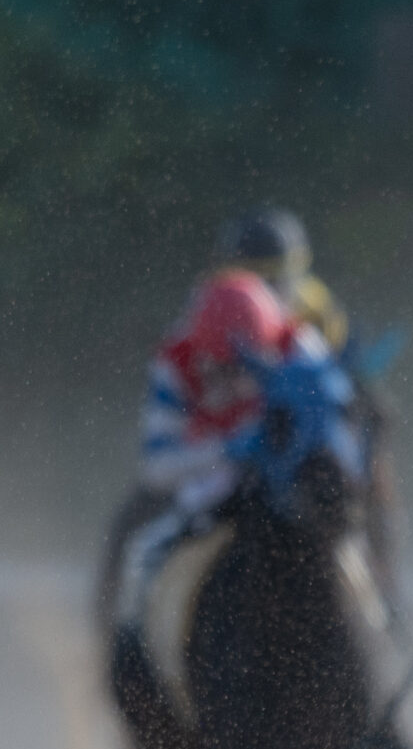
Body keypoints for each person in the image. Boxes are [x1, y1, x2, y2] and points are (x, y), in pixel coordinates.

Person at [111, 271, 360, 651]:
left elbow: (340, 437)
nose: (230, 385)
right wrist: (228, 451)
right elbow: (157, 466)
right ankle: (134, 649)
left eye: (240, 369)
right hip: (211, 481)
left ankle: (377, 626)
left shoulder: (302, 349)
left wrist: (286, 452)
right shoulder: (173, 364)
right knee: (142, 551)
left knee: (348, 550)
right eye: (218, 370)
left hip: (290, 481)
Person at [217, 206, 350, 352]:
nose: (265, 293)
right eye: (256, 282)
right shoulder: (216, 308)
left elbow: (341, 364)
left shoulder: (317, 315)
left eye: (275, 280)